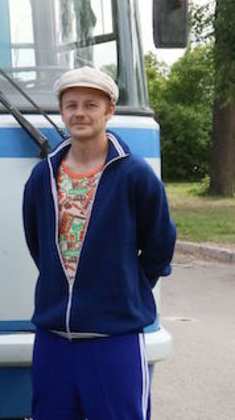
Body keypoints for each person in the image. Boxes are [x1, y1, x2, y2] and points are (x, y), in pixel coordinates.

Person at [22, 66, 177, 420]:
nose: (80, 113)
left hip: (114, 338)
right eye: (71, 105)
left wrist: (128, 284)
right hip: (53, 338)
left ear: (109, 110)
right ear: (62, 111)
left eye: (90, 105)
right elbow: (37, 241)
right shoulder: (43, 175)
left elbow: (160, 243)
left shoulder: (134, 174)